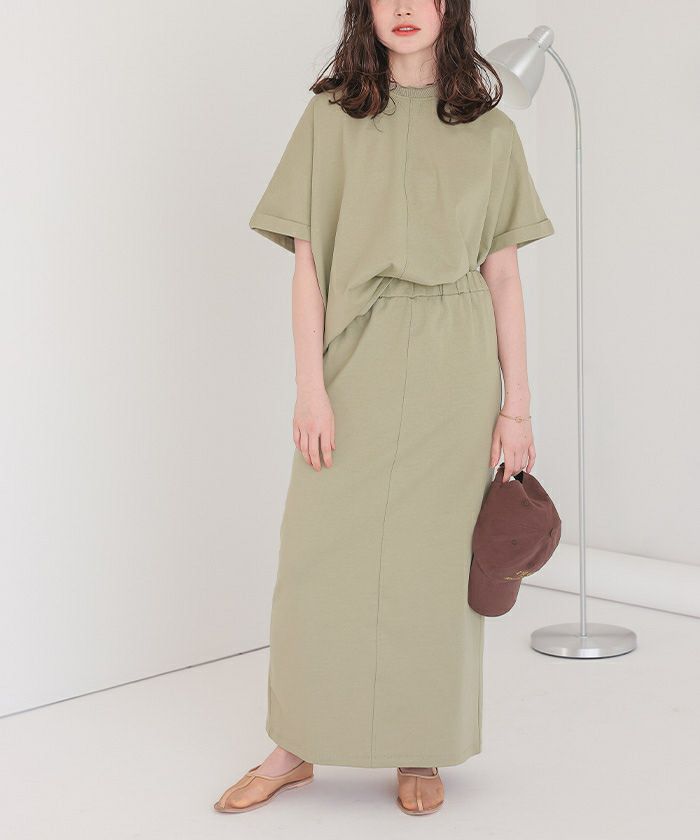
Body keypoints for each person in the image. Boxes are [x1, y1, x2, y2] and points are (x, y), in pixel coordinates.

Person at [214, 0, 554, 816]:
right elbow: (307, 269)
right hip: (355, 353)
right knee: (316, 555)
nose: (403, 8)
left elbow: (505, 277)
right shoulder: (330, 120)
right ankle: (294, 745)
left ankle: (419, 740)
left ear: (449, 9)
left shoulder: (492, 134)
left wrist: (517, 407)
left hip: (455, 357)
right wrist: (310, 387)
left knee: (433, 563)